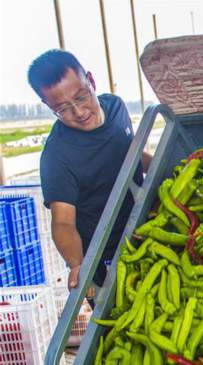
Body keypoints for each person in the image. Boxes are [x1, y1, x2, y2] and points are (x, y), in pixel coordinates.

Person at [27, 50, 151, 297]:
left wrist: (175, 163)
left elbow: (133, 154)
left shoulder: (115, 107)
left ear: (91, 81)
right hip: (107, 257)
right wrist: (77, 264)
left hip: (146, 228)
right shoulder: (57, 155)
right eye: (62, 109)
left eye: (82, 97)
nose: (79, 112)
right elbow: (62, 222)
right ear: (48, 106)